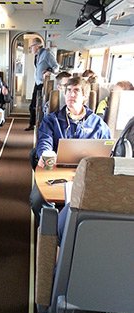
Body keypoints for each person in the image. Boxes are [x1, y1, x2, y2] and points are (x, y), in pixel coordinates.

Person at [30, 77, 111, 220]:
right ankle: (52, 228)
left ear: (85, 97)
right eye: (68, 91)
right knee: (37, 200)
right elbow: (44, 141)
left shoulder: (98, 124)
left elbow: (107, 148)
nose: (71, 95)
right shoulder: (52, 119)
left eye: (76, 91)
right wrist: (46, 153)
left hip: (87, 171)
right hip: (56, 169)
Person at [25, 37, 59, 131]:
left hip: (44, 84)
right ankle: (32, 124)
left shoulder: (47, 53)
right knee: (32, 105)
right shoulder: (37, 55)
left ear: (36, 46)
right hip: (38, 83)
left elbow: (56, 67)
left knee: (40, 105)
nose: (31, 48)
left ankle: (38, 125)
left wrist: (50, 72)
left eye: (31, 46)